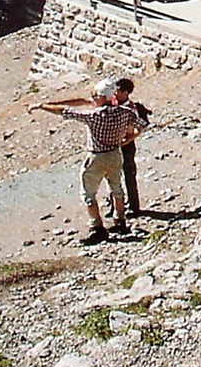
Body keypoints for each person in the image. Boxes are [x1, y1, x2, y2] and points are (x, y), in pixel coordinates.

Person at [29, 76, 142, 244]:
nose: (94, 99)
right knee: (116, 188)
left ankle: (97, 227)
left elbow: (64, 111)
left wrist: (41, 106)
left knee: (89, 194)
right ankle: (120, 221)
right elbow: (140, 124)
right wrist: (127, 138)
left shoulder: (93, 116)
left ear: (103, 97)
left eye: (96, 96)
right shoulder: (126, 111)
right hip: (115, 154)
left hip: (96, 156)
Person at [111, 76, 152, 216]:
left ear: (125, 92)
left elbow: (142, 125)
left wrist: (127, 140)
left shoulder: (134, 108)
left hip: (126, 147)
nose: (115, 93)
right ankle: (115, 207)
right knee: (112, 177)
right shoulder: (111, 105)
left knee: (129, 175)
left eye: (118, 91)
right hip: (112, 145)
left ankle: (134, 207)